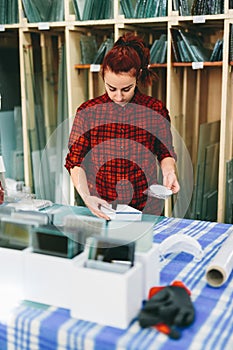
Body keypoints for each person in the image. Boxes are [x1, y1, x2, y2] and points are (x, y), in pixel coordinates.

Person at [65, 32, 180, 220]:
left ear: (138, 77)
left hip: (145, 209)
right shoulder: (88, 113)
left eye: (126, 89)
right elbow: (75, 161)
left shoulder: (155, 110)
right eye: (111, 88)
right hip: (101, 206)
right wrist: (86, 197)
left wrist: (169, 172)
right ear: (103, 77)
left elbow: (165, 151)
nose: (118, 96)